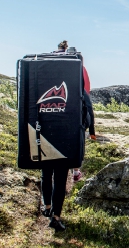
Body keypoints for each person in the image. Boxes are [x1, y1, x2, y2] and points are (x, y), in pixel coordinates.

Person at [40, 40, 96, 231]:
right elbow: (88, 109)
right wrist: (91, 131)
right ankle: (55, 217)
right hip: (66, 136)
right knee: (60, 177)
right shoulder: (75, 86)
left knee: (46, 173)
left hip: (45, 133)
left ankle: (46, 207)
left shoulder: (43, 83)